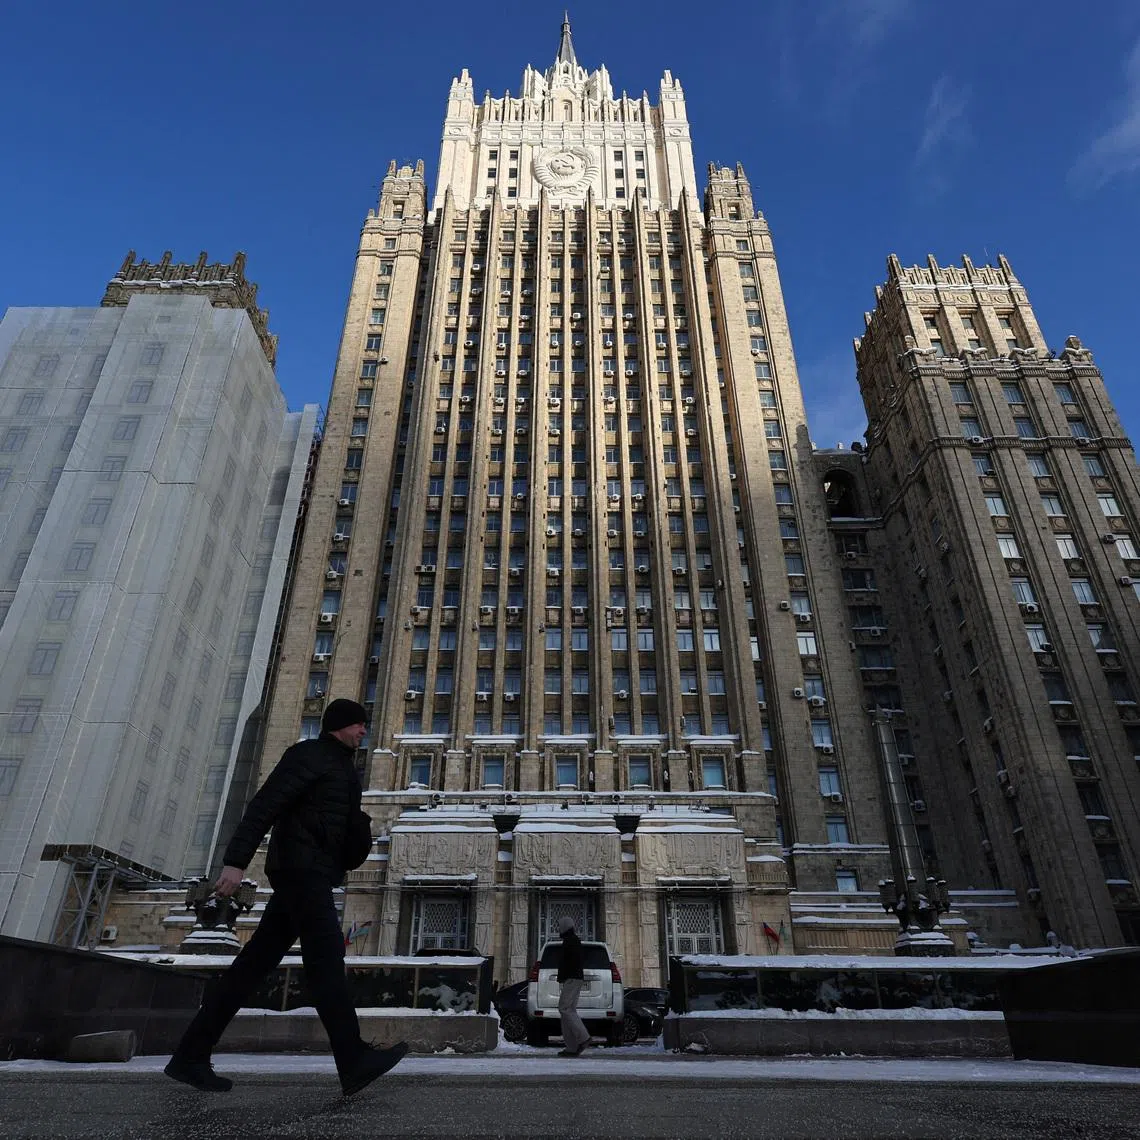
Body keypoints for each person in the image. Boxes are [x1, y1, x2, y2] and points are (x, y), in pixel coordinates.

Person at [164, 698, 408, 1095]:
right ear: (339, 726)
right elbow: (265, 805)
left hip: (312, 874)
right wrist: (235, 862)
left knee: (252, 966)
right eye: (359, 724)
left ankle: (190, 1055)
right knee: (327, 960)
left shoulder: (342, 766)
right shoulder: (308, 755)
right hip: (301, 872)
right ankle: (353, 1059)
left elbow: (336, 828)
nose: (364, 730)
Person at [555, 915, 590, 1057]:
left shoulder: (570, 942)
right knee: (569, 1011)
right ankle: (571, 1047)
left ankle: (583, 1037)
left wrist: (563, 977)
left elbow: (568, 963)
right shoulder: (572, 941)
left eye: (560, 926)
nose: (559, 929)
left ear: (565, 927)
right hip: (574, 978)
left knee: (564, 1008)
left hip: (572, 979)